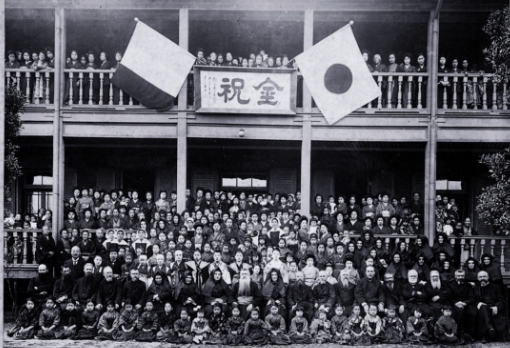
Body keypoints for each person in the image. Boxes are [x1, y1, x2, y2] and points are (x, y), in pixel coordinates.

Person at [474, 270, 506, 342]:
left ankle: (487, 334)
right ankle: (489, 328)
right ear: (477, 278)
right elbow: (473, 299)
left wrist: (496, 307)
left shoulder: (495, 287)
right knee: (483, 308)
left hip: (493, 307)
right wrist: (478, 303)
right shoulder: (475, 288)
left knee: (485, 310)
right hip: (481, 308)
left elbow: (501, 300)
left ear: (488, 277)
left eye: (484, 276)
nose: (482, 278)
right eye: (480, 277)